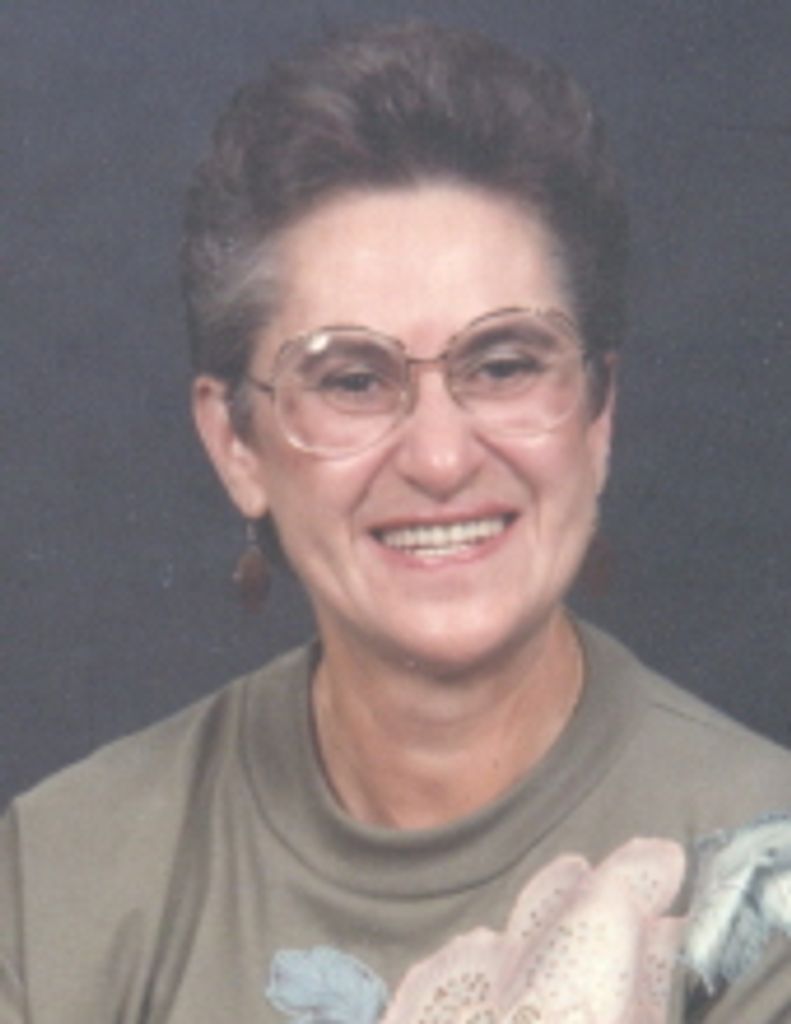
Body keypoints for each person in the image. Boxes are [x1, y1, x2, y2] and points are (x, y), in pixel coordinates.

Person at [1, 21, 789, 1023]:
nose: (440, 458)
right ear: (236, 442)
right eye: (352, 379)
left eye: (502, 365)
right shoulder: (58, 874)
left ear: (596, 416)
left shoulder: (762, 880)